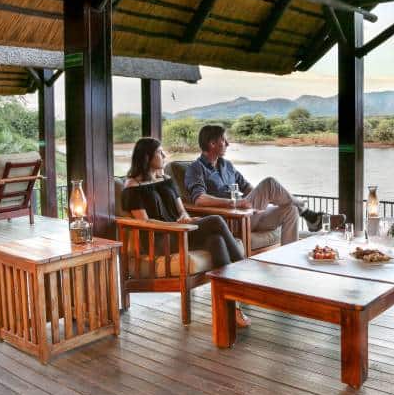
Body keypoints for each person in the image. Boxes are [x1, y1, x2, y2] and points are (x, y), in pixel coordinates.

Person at [121, 137, 250, 327]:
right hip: (161, 239)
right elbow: (145, 222)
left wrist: (186, 218)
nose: (164, 155)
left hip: (181, 232)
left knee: (216, 240)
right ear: (147, 157)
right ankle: (245, 274)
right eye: (159, 152)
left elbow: (181, 210)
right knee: (215, 220)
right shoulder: (132, 186)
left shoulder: (166, 180)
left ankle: (231, 308)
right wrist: (176, 226)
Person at [184, 125, 338, 245]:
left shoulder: (227, 165)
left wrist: (265, 198)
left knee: (290, 210)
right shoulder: (196, 168)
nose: (228, 144)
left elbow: (248, 188)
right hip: (231, 221)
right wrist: (233, 203)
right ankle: (309, 214)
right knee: (269, 183)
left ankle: (289, 261)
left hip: (250, 215)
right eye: (224, 140)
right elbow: (200, 199)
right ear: (212, 144)